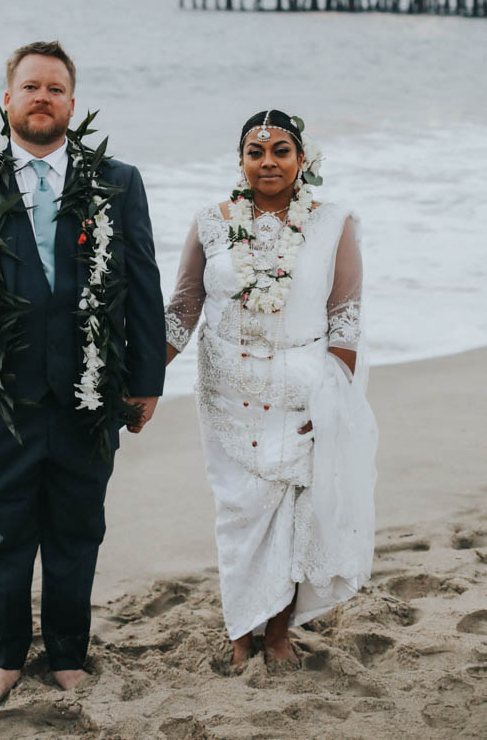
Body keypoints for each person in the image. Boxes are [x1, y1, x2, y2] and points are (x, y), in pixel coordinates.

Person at [0, 41, 165, 708]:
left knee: (78, 530)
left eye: (55, 88)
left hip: (89, 395)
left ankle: (70, 656)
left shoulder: (118, 181)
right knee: (7, 536)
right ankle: (7, 659)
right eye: (31, 86)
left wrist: (144, 381)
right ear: (8, 99)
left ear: (72, 104)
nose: (42, 97)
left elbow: (141, 286)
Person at [165, 109, 377, 668]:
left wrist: (335, 403)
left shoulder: (334, 223)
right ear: (240, 161)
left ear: (302, 160)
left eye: (280, 150)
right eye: (255, 152)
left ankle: (278, 632)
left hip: (301, 393)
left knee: (291, 512)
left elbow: (346, 318)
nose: (268, 162)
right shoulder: (211, 221)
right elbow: (184, 307)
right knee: (237, 513)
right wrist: (140, 374)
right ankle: (240, 632)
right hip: (225, 394)